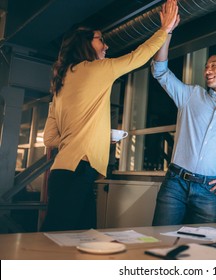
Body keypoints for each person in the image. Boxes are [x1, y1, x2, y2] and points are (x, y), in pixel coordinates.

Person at [41, 0, 179, 231]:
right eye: (101, 40)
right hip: (78, 171)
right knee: (57, 240)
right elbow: (137, 57)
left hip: (65, 171)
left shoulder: (62, 83)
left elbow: (49, 139)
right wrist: (164, 30)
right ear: (85, 43)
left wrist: (92, 137)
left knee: (78, 238)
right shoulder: (95, 70)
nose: (106, 46)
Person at [151, 18, 216, 226]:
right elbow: (160, 71)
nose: (207, 70)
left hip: (209, 191)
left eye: (214, 66)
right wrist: (167, 31)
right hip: (175, 184)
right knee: (158, 241)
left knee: (201, 250)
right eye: (206, 66)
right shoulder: (191, 95)